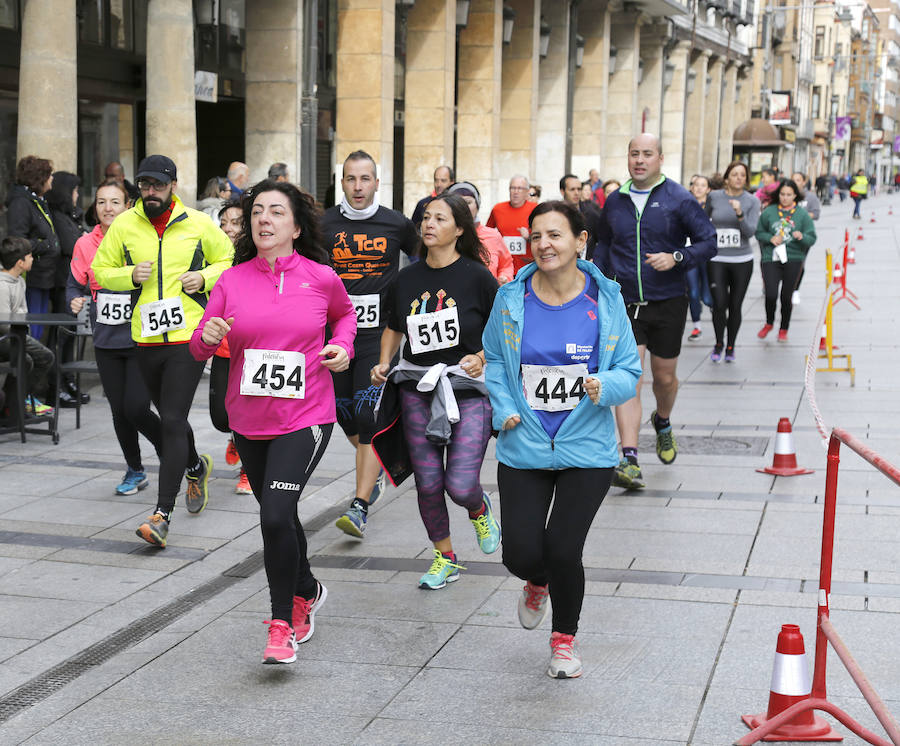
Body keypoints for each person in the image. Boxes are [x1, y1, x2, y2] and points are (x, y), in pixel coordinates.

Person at [191, 179, 356, 664]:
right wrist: (209, 332)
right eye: (257, 211)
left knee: (274, 517)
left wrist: (342, 348)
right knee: (280, 516)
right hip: (249, 419)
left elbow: (345, 318)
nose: (264, 219)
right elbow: (201, 345)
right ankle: (306, 587)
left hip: (305, 415)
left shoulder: (320, 277)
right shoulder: (231, 280)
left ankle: (281, 622)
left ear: (296, 225)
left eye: (276, 212)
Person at [483, 200, 641, 678]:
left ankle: (564, 642)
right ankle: (535, 582)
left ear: (580, 241)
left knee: (564, 550)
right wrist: (505, 408)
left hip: (586, 449)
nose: (544, 245)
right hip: (524, 444)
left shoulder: (606, 300)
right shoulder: (512, 298)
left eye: (554, 235)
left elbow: (630, 371)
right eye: (536, 237)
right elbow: (492, 360)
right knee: (521, 553)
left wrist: (603, 386)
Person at [92, 154, 234, 547]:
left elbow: (229, 259)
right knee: (134, 409)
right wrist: (127, 276)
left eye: (157, 184)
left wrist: (203, 277)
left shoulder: (198, 222)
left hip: (188, 337)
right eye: (144, 185)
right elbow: (99, 270)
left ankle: (161, 514)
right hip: (145, 338)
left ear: (173, 185)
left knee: (172, 418)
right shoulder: (125, 224)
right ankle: (192, 463)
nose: (149, 191)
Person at [371, 193, 501, 589]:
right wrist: (384, 361)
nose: (428, 225)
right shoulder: (406, 278)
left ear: (459, 229)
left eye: (440, 219)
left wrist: (481, 355)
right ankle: (445, 557)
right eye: (426, 218)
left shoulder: (478, 277)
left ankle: (478, 508)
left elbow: (502, 333)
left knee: (459, 484)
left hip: (467, 388)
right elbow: (395, 324)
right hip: (417, 385)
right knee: (428, 482)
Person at [593, 134, 716, 490]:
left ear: (660, 158)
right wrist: (595, 281)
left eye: (647, 154)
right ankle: (628, 457)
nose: (640, 160)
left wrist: (677, 257)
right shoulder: (615, 201)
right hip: (625, 303)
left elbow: (707, 241)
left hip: (668, 301)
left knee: (664, 378)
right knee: (630, 378)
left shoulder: (679, 198)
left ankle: (662, 420)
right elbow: (603, 244)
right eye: (634, 154)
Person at [322, 150, 419, 538]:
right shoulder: (323, 223)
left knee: (366, 416)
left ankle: (359, 504)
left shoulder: (397, 224)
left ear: (377, 182)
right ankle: (375, 463)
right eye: (350, 179)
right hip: (335, 333)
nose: (358, 187)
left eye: (365, 179)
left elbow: (424, 261)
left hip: (379, 335)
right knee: (342, 411)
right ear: (341, 182)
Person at [67, 179, 163, 495]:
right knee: (119, 411)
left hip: (140, 337)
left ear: (128, 205)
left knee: (136, 407)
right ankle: (135, 470)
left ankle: (177, 452)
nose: (108, 208)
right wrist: (75, 299)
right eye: (101, 202)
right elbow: (74, 284)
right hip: (106, 339)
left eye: (115, 202)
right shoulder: (85, 244)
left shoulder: (143, 238)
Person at [207, 200, 251, 495]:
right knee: (221, 418)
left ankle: (249, 470)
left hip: (253, 349)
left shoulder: (257, 256)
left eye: (235, 222)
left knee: (249, 414)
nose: (228, 228)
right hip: (223, 348)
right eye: (223, 223)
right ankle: (235, 436)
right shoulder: (212, 257)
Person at [706, 161, 760, 362]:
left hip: (742, 260)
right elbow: (704, 222)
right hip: (717, 259)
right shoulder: (714, 197)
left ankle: (731, 346)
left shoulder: (751, 201)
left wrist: (739, 214)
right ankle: (719, 342)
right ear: (727, 177)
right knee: (719, 304)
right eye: (735, 174)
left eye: (743, 175)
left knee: (735, 305)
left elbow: (750, 232)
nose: (739, 178)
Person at [45, 171, 89, 407]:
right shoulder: (58, 217)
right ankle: (56, 386)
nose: (77, 195)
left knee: (70, 336)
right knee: (60, 338)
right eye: (74, 190)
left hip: (74, 285)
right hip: (63, 284)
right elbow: (74, 246)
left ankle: (67, 381)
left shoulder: (69, 215)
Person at [5, 155, 60, 341]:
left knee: (39, 325)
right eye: (49, 175)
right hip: (32, 276)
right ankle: (24, 368)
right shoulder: (21, 202)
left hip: (44, 275)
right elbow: (17, 240)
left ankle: (33, 366)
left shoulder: (37, 200)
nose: (52, 179)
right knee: (31, 328)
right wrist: (48, 245)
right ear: (40, 178)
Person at [755, 179, 816, 342]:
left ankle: (784, 328)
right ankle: (769, 322)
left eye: (789, 195)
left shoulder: (802, 215)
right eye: (782, 194)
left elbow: (812, 238)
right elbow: (759, 233)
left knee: (785, 296)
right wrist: (770, 238)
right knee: (771, 294)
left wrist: (802, 236)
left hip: (793, 258)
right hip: (771, 257)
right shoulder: (769, 211)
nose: (785, 198)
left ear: (795, 195)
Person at [0, 237, 55, 416]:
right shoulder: (2, 285)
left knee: (38, 358)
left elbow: (23, 315)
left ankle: (14, 402)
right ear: (20, 262)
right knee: (36, 358)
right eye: (30, 256)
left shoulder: (20, 282)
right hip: (6, 337)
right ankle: (13, 403)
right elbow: (4, 324)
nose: (33, 259)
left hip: (17, 336)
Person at [448, 181, 513, 284]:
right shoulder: (445, 236)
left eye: (468, 202)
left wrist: (504, 278)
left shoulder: (493, 236)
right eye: (459, 202)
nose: (464, 207)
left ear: (477, 205)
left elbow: (506, 264)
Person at [487, 175, 537, 277]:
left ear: (527, 191)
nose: (515, 191)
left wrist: (529, 236)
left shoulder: (535, 209)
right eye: (513, 188)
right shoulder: (498, 209)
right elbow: (487, 233)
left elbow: (544, 236)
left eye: (520, 188)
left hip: (528, 268)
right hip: (504, 269)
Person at [685, 174, 713, 343]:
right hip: (690, 254)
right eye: (696, 185)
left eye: (703, 185)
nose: (699, 188)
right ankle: (697, 326)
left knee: (709, 296)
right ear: (692, 188)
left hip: (709, 255)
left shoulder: (714, 207)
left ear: (708, 189)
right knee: (693, 293)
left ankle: (719, 320)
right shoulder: (684, 206)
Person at [791, 171, 820, 305]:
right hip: (787, 235)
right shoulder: (787, 195)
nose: (796, 182)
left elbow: (816, 214)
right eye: (793, 179)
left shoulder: (810, 197)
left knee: (799, 264)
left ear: (804, 181)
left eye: (798, 180)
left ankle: (795, 290)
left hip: (804, 236)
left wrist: (802, 217)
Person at [559, 174, 603, 260]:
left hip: (585, 266)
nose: (576, 193)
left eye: (579, 189)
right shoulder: (555, 214)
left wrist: (595, 259)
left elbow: (602, 241)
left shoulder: (591, 213)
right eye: (572, 189)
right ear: (562, 191)